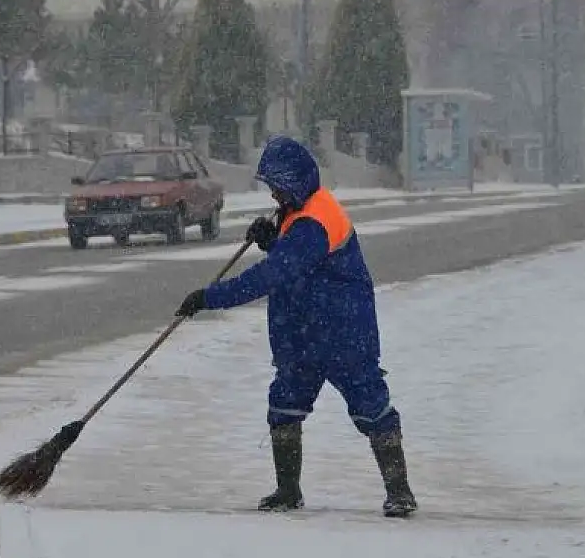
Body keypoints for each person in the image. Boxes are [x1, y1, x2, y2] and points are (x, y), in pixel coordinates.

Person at [175, 135, 417, 518]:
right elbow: (302, 263)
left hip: (341, 331)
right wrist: (274, 239)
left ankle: (400, 491)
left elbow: (272, 275)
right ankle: (288, 491)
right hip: (304, 333)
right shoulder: (300, 210)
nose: (272, 195)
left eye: (276, 186)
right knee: (284, 405)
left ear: (293, 182)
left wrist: (210, 297)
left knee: (370, 405)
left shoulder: (313, 221)